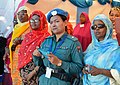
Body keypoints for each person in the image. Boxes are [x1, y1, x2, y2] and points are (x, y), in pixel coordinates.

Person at [32, 8, 83, 85]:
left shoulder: (73, 43)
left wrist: (60, 63)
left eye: (57, 21)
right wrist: (36, 56)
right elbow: (39, 64)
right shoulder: (46, 41)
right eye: (51, 22)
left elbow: (78, 68)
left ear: (65, 23)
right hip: (44, 80)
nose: (54, 25)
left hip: (61, 81)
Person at [83, 14, 119, 85]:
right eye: (94, 27)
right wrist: (85, 69)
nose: (97, 29)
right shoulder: (91, 47)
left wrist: (100, 71)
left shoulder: (115, 48)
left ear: (108, 27)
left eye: (100, 26)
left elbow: (118, 73)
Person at [18, 10, 50, 85]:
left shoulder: (47, 37)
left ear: (42, 21)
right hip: (24, 73)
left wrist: (32, 73)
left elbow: (45, 60)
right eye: (32, 20)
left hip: (37, 73)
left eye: (36, 20)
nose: (33, 22)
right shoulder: (27, 36)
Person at [9, 6, 30, 85]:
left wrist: (20, 41)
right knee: (15, 78)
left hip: (25, 57)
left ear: (28, 15)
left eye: (23, 14)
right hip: (15, 56)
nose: (21, 16)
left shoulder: (30, 26)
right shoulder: (17, 27)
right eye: (19, 14)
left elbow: (32, 40)